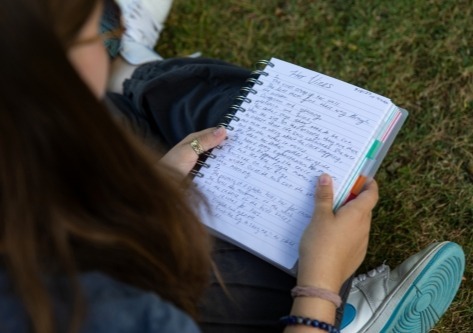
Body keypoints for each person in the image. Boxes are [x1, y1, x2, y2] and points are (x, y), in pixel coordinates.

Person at [0, 2, 464, 333]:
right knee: (292, 248)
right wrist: (319, 290)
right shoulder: (113, 314)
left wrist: (155, 182)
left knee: (168, 98)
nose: (101, 40)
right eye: (100, 35)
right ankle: (344, 320)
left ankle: (135, 71)